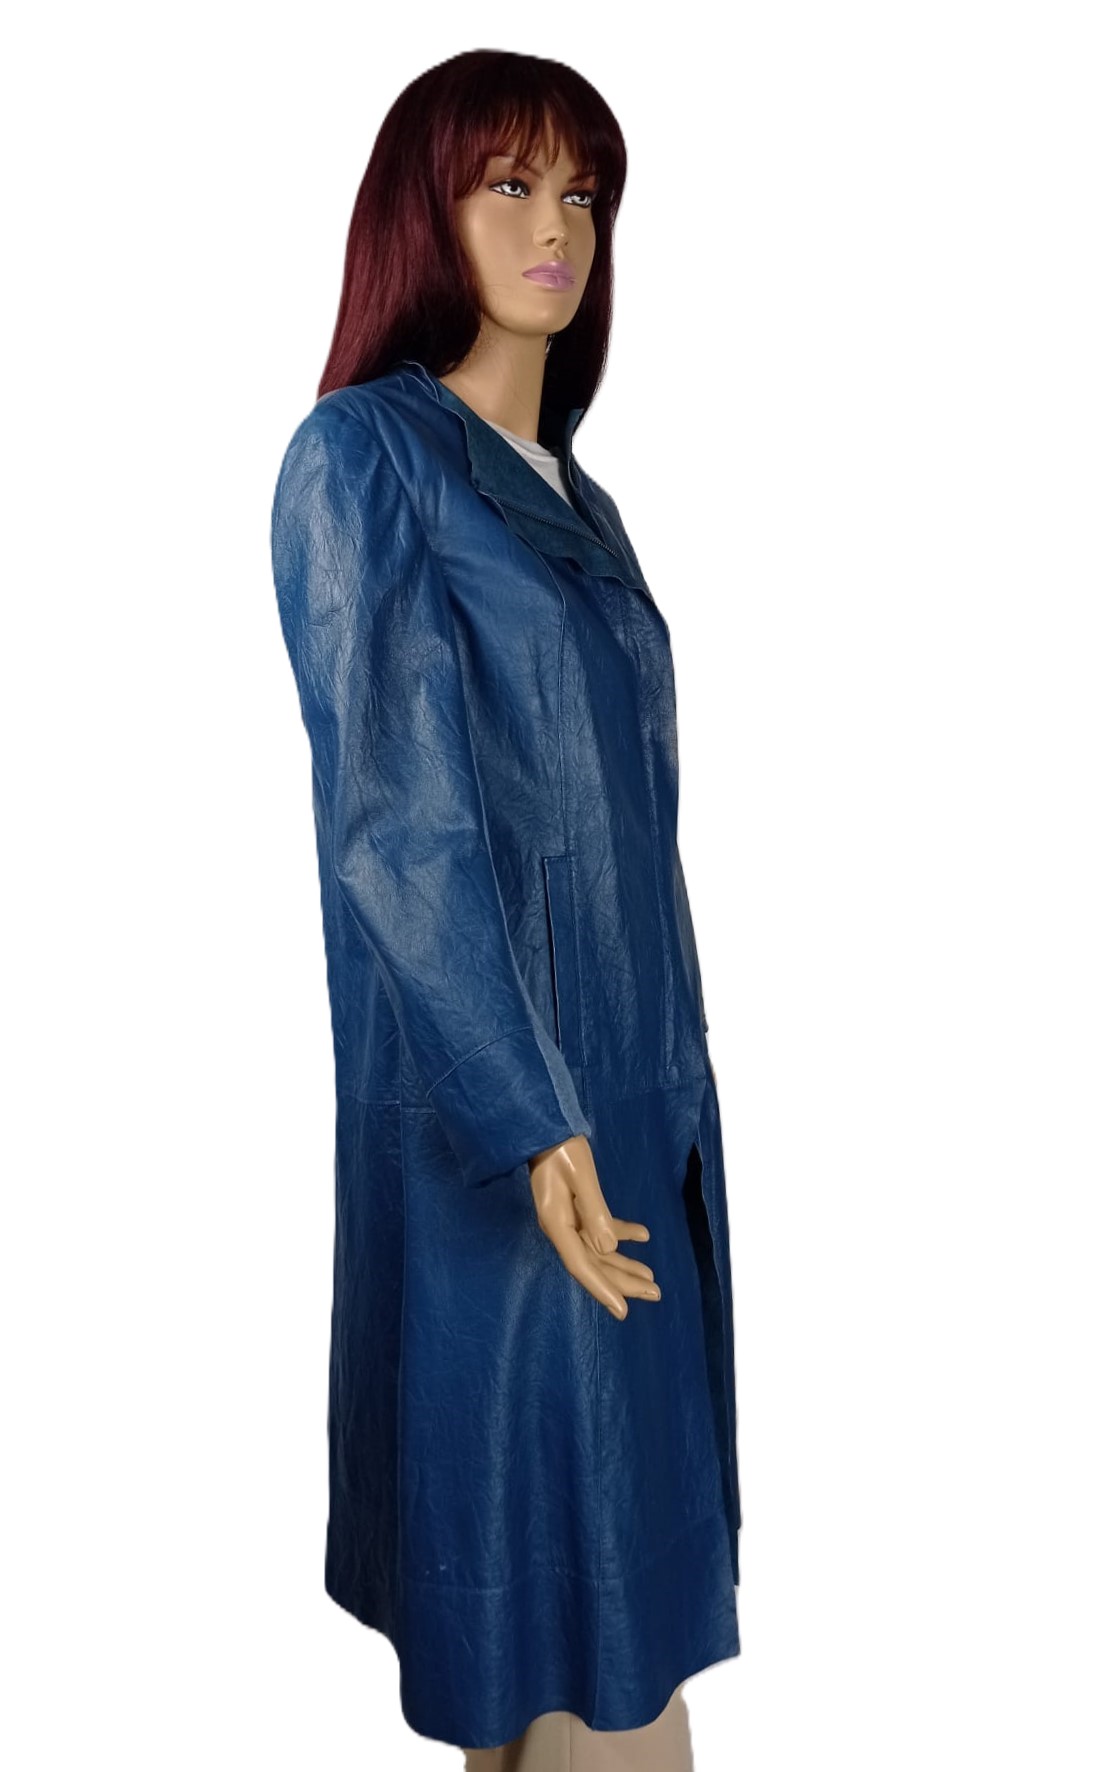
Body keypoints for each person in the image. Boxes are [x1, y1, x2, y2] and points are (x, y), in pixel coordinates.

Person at [270, 49, 742, 1768]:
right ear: (430, 211)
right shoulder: (368, 460)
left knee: (564, 1655)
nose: (557, 227)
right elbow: (395, 825)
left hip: (634, 1124)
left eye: (582, 193)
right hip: (514, 1147)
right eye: (510, 184)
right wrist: (531, 1118)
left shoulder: (577, 501)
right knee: (585, 1664)